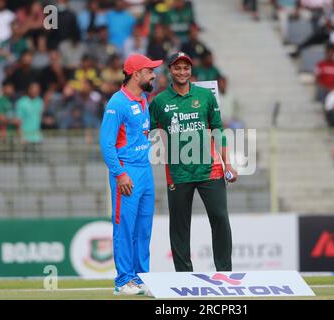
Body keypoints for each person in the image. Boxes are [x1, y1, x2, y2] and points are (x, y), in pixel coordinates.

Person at [149, 51, 237, 272]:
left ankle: (225, 272)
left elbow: (218, 130)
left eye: (186, 68)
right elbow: (145, 133)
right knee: (179, 226)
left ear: (191, 70)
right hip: (178, 172)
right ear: (169, 71)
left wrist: (229, 163)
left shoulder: (206, 96)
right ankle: (184, 275)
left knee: (219, 218)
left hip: (210, 169)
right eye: (177, 68)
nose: (182, 72)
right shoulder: (159, 101)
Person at [99, 53, 162, 296]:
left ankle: (141, 277)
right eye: (149, 71)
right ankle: (123, 280)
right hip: (127, 172)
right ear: (136, 74)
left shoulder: (144, 99)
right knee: (125, 227)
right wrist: (119, 174)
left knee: (143, 228)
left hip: (145, 170)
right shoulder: (117, 103)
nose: (154, 74)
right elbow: (106, 144)